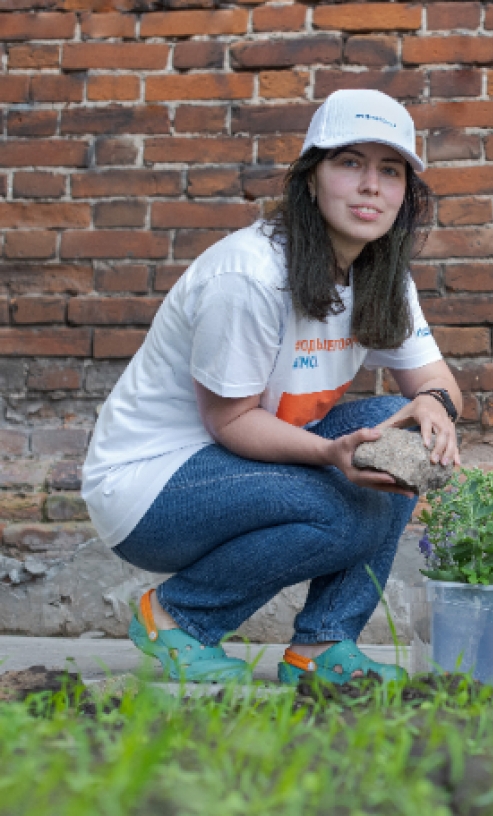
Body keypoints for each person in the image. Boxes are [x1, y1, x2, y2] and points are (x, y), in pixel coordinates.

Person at [82, 90, 462, 685]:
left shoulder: (382, 273)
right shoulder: (251, 276)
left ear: (405, 195)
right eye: (349, 163)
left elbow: (436, 382)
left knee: (398, 435)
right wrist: (331, 454)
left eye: (389, 172)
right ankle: (177, 615)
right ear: (311, 179)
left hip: (251, 468)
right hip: (152, 486)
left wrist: (434, 409)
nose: (370, 186)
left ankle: (324, 647)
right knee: (343, 510)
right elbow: (229, 422)